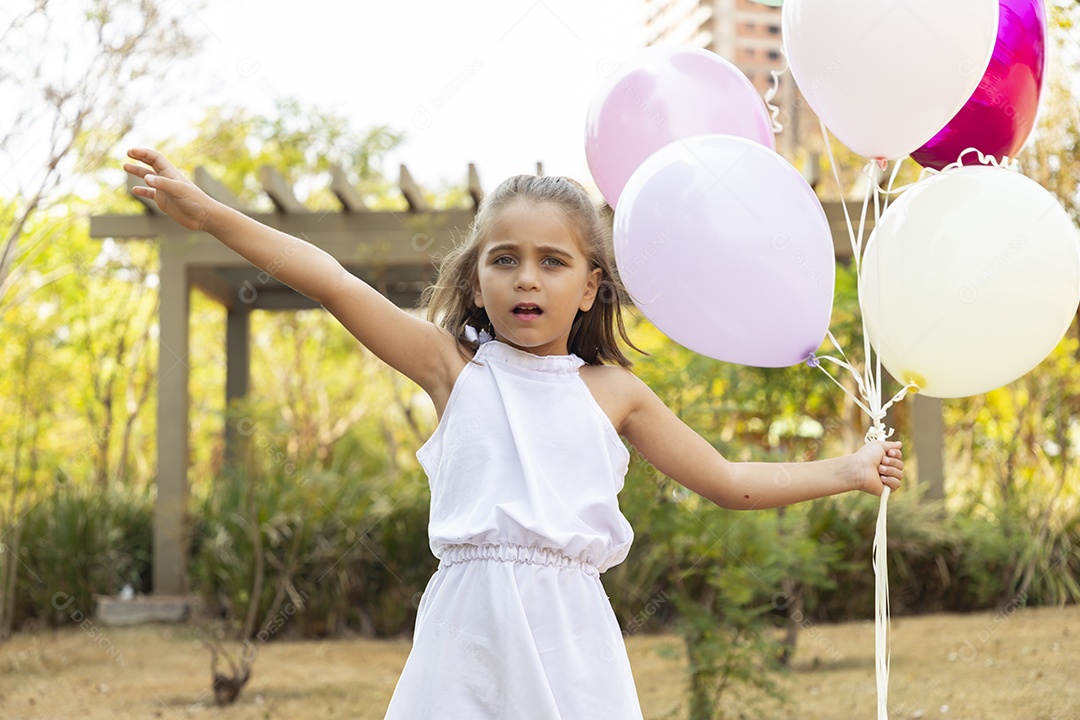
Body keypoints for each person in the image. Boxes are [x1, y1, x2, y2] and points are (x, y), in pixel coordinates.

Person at [123, 148, 904, 719]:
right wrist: (208, 214)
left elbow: (728, 481)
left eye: (552, 261)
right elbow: (329, 278)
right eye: (505, 259)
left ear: (590, 285)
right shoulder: (452, 369)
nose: (527, 276)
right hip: (466, 636)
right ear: (477, 280)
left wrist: (850, 469)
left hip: (572, 642)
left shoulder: (616, 394)